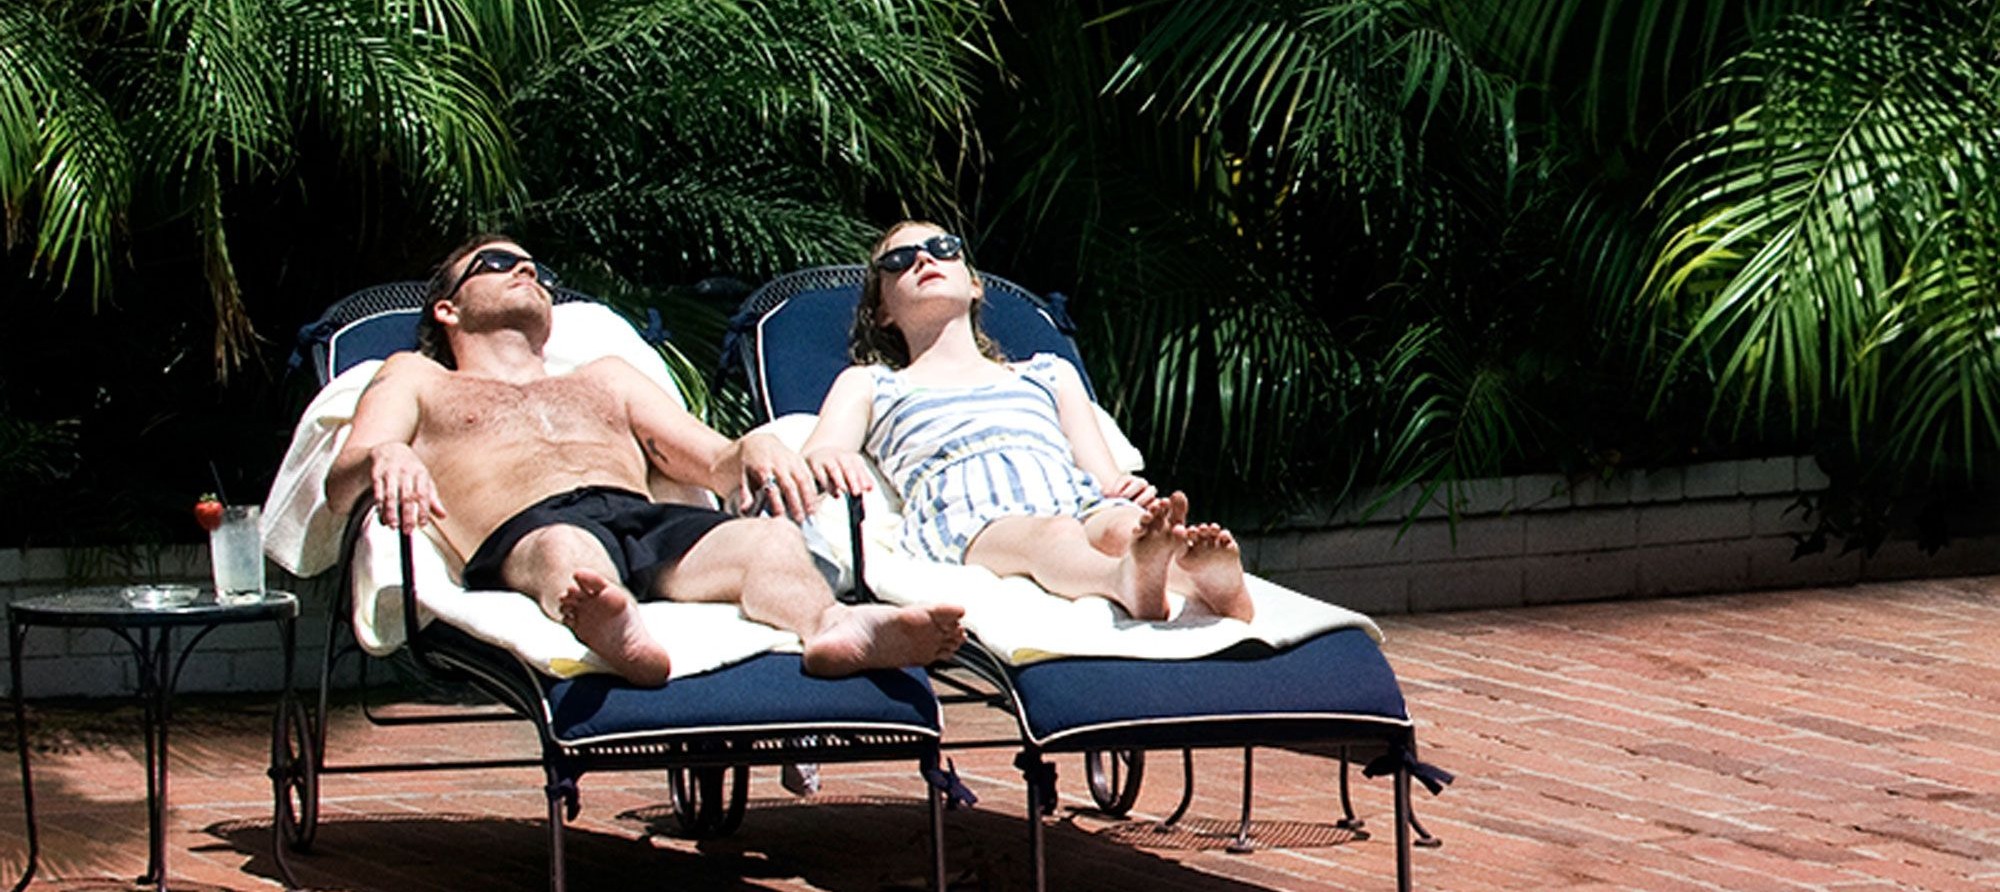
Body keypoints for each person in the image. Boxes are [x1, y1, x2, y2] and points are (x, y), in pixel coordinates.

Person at [326, 234, 965, 686]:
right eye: (498, 263)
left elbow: (711, 460)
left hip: (645, 521)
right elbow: (342, 482)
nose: (526, 271)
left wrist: (752, 446)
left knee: (769, 541)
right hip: (528, 529)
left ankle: (831, 626)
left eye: (536, 269)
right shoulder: (417, 377)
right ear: (448, 308)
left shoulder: (606, 376)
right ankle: (616, 626)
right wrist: (386, 453)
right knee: (568, 550)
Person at [801, 221, 1255, 623]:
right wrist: (831, 457)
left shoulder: (1048, 373)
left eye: (943, 248)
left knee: (1123, 528)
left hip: (1073, 498)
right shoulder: (873, 383)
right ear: (883, 311)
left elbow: (1103, 476)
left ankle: (1213, 587)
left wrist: (1125, 492)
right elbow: (821, 450)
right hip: (969, 516)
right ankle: (1121, 581)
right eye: (899, 260)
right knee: (1053, 536)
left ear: (974, 285)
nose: (924, 259)